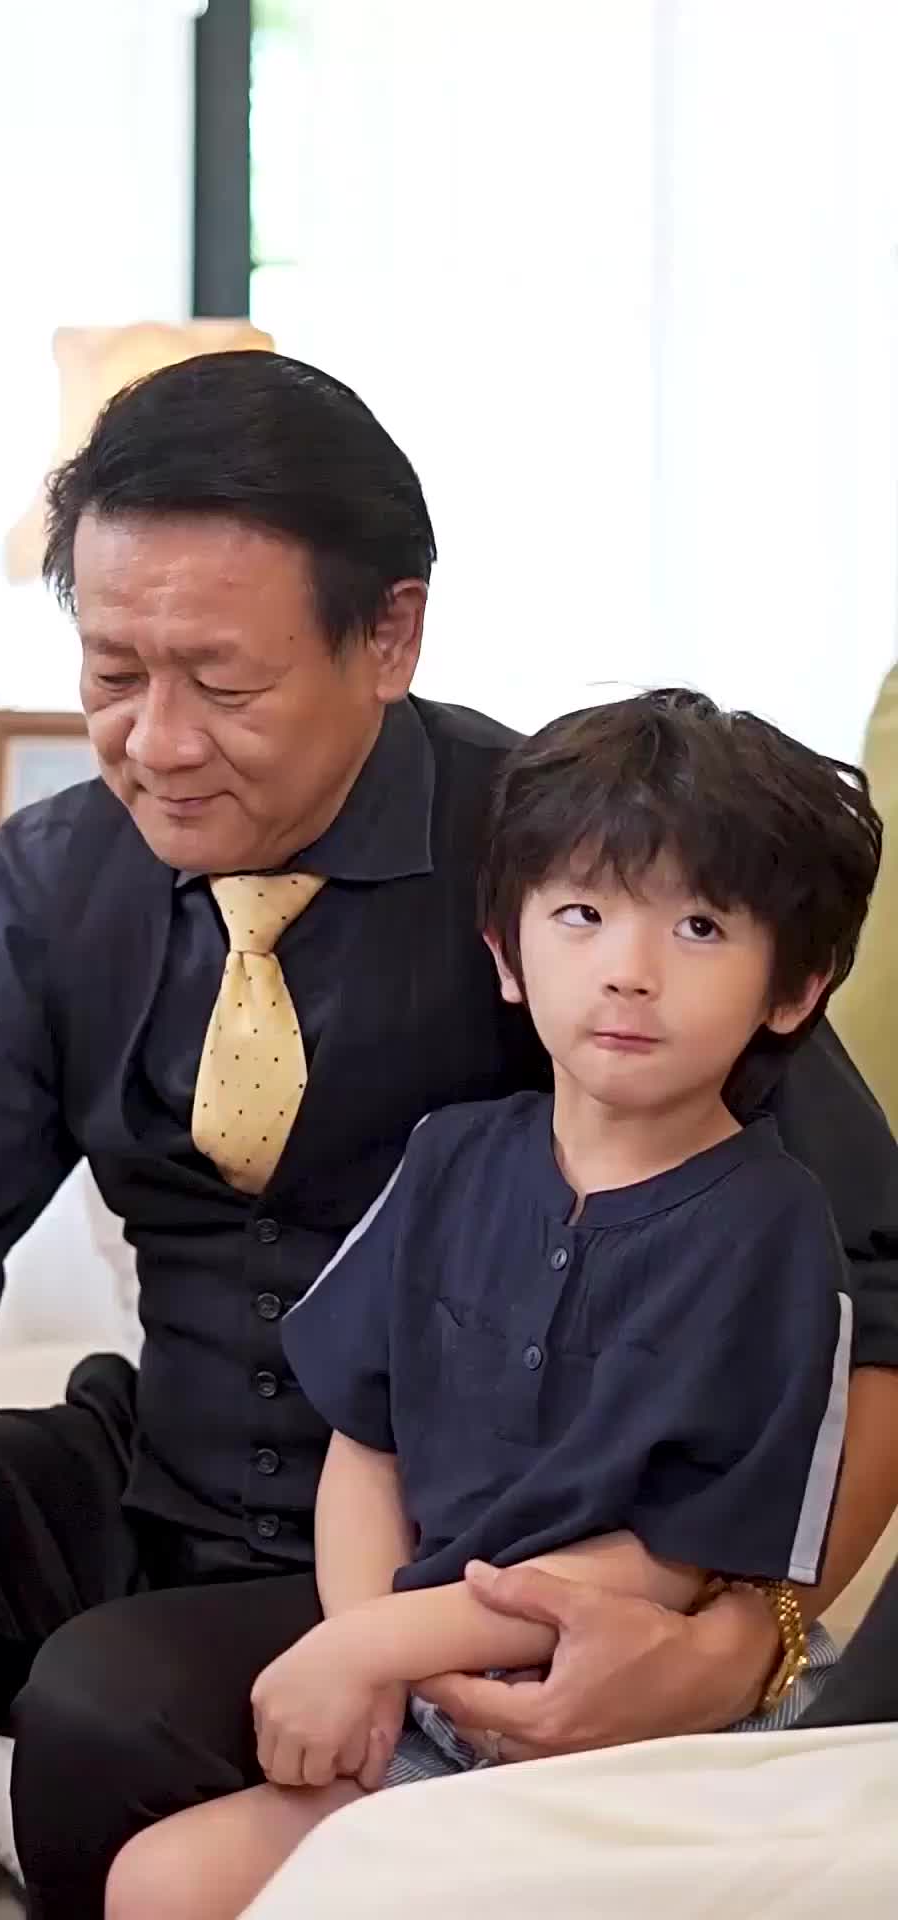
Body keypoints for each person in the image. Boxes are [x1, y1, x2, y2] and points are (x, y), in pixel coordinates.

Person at [0, 356, 892, 1920]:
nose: (157, 741)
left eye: (223, 684)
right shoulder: (48, 888)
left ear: (390, 635)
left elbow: (874, 1288)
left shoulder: (576, 882)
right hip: (160, 1478)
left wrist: (743, 1640)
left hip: (464, 1557)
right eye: (114, 671)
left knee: (107, 1708)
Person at [102, 689, 880, 1920]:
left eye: (699, 926)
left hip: (646, 1720)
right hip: (431, 1691)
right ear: (508, 955)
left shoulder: (775, 1233)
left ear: (794, 990)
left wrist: (373, 1647)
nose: (629, 972)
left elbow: (673, 1561)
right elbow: (367, 1447)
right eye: (583, 914)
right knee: (158, 1884)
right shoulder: (448, 1158)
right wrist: (366, 1650)